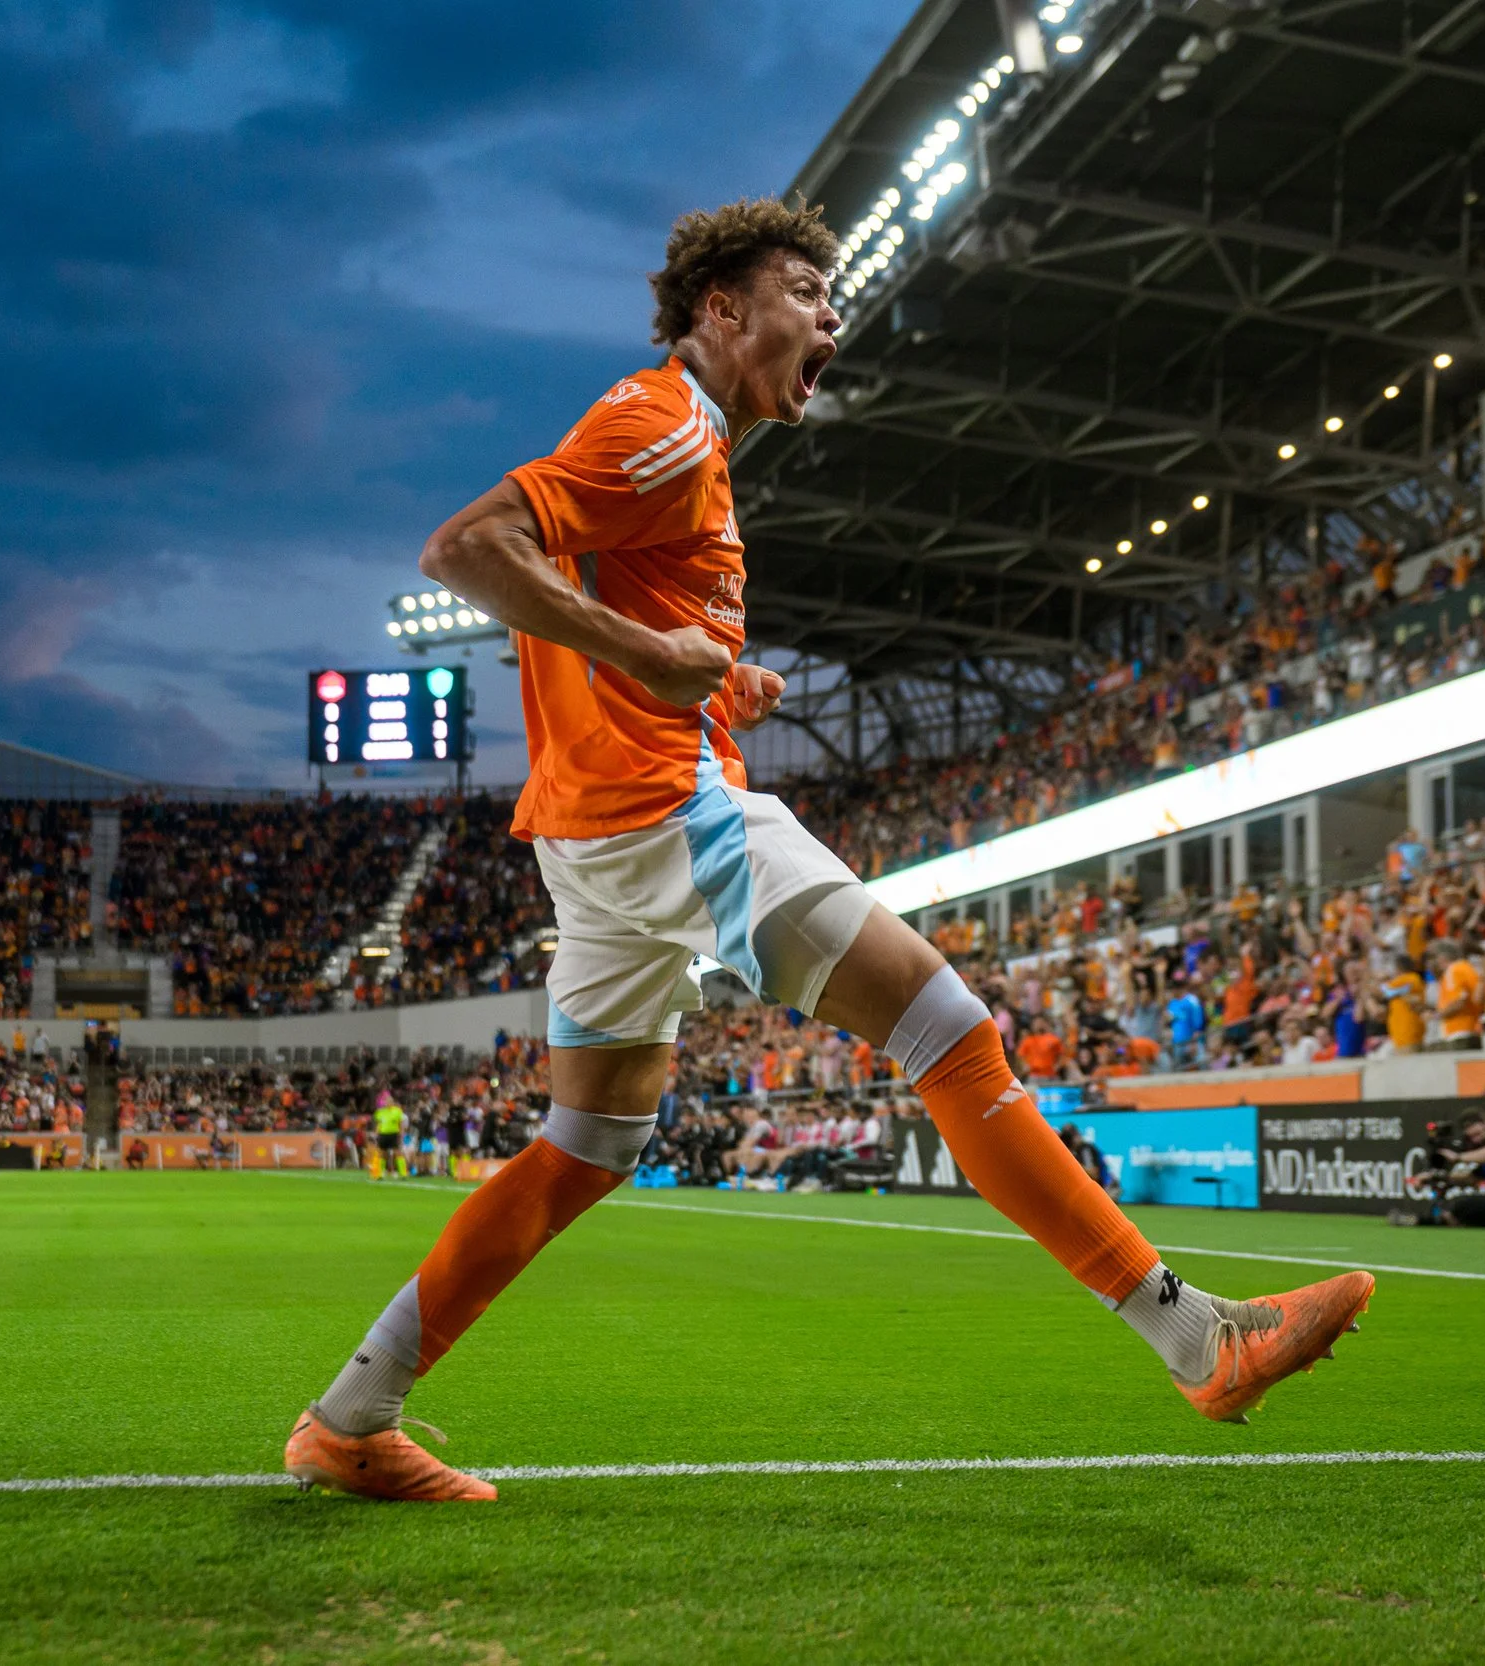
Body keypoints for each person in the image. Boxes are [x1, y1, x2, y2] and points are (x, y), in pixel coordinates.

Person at [282, 201, 1373, 1503]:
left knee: (580, 1146)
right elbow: (468, 549)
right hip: (663, 814)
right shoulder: (665, 421)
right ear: (722, 311)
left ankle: (353, 1414)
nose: (833, 318)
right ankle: (1199, 1335)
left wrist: (706, 682)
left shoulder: (686, 446)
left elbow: (604, 614)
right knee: (950, 1032)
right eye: (808, 290)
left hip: (601, 832)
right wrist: (653, 660)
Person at [371, 1091, 407, 1179]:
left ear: (393, 1102)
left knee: (398, 1153)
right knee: (382, 1154)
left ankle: (403, 1173)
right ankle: (379, 1174)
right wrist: (376, 1134)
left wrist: (401, 1133)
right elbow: (378, 1124)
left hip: (394, 1134)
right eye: (386, 1101)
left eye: (390, 1101)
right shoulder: (380, 1112)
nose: (388, 1103)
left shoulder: (397, 1111)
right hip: (383, 1135)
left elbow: (400, 1123)